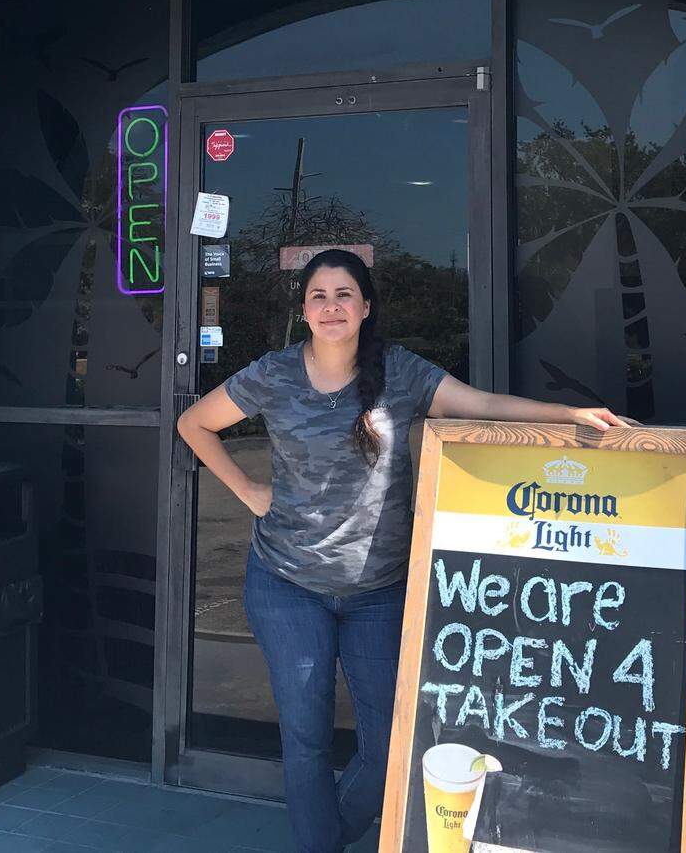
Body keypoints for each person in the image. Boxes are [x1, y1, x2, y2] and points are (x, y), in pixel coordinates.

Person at [177, 248, 631, 853]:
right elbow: (194, 423)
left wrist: (570, 415)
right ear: (305, 311)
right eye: (318, 295)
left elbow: (484, 406)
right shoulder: (273, 374)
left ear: (365, 308)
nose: (331, 306)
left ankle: (329, 834)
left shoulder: (401, 372)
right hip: (286, 584)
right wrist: (249, 490)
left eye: (344, 295)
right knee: (306, 735)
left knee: (394, 737)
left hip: (380, 591)